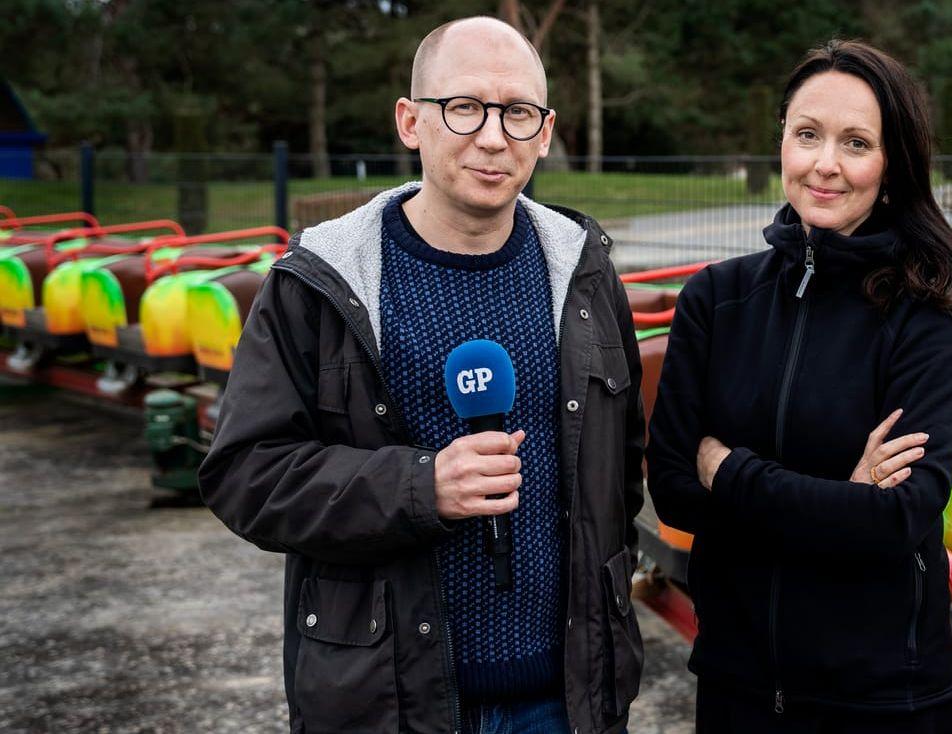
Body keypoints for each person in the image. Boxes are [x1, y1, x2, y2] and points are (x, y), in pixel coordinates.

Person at [199, 17, 645, 734]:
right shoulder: (320, 281)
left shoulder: (584, 275)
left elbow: (618, 476)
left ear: (546, 130)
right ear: (410, 121)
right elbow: (246, 473)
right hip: (387, 702)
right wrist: (419, 486)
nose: (494, 138)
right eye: (464, 108)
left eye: (518, 113)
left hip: (568, 702)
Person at [645, 39, 952, 733]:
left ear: (891, 168)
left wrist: (730, 470)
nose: (825, 164)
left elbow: (897, 520)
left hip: (883, 702)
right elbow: (674, 488)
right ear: (782, 145)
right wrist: (840, 500)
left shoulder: (923, 319)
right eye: (808, 135)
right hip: (736, 690)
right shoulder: (717, 300)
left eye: (856, 143)